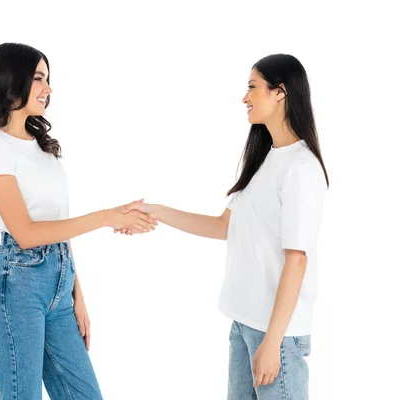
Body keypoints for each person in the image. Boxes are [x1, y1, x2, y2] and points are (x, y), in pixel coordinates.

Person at [118, 54, 328, 399]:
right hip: (245, 323)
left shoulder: (301, 168)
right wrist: (156, 211)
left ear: (281, 93)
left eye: (252, 87)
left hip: (277, 334)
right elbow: (223, 226)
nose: (244, 97)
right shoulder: (264, 160)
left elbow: (297, 259)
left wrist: (273, 342)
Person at [0, 42, 157, 400]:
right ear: (12, 80)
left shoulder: (42, 146)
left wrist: (76, 294)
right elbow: (25, 233)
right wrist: (106, 217)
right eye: (39, 79)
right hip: (18, 287)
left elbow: (57, 224)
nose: (48, 89)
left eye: (48, 79)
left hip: (60, 284)